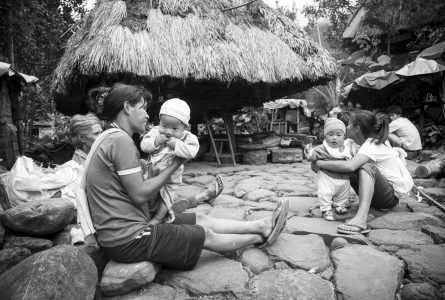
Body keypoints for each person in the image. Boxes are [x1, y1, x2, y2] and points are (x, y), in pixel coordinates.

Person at [85, 83, 288, 270]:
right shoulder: (120, 141)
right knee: (204, 235)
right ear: (128, 107)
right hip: (127, 238)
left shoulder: (110, 137)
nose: (147, 115)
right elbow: (139, 195)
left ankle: (261, 225)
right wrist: (175, 164)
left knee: (199, 218)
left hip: (127, 227)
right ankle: (260, 236)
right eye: (143, 108)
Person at [312, 110, 414, 234]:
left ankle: (361, 219)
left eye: (349, 124)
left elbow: (350, 166)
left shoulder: (373, 144)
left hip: (389, 198)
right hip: (378, 195)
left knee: (364, 167)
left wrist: (319, 164)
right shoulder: (354, 143)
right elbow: (333, 154)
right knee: (344, 162)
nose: (346, 127)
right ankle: (332, 201)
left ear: (357, 128)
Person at [140, 98, 200, 224]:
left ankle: (158, 218)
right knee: (147, 194)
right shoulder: (155, 131)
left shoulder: (188, 138)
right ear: (159, 122)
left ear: (185, 127)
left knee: (166, 198)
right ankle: (146, 213)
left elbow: (192, 152)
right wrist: (156, 141)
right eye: (164, 126)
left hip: (171, 178)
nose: (168, 131)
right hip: (152, 172)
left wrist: (177, 145)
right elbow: (144, 146)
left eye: (174, 129)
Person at [304, 118, 358, 221]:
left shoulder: (346, 149)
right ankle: (326, 210)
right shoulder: (322, 148)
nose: (334, 138)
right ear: (325, 136)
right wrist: (309, 152)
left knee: (343, 192)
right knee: (325, 193)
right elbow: (313, 157)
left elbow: (353, 157)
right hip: (327, 177)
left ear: (344, 137)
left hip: (343, 177)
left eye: (338, 135)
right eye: (330, 134)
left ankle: (340, 205)